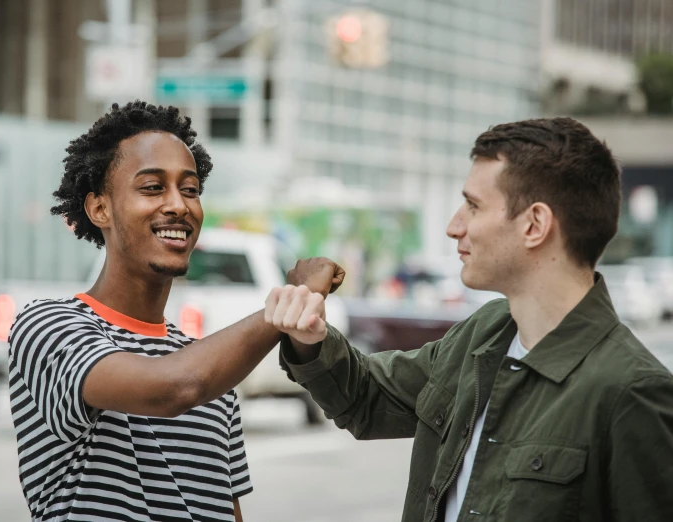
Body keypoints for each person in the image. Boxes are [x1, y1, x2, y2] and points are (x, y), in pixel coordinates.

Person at [266, 117, 673, 522]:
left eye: (473, 206)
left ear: (535, 225)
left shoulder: (633, 392)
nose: (453, 227)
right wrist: (309, 336)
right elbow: (367, 399)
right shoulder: (484, 334)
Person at [7, 101, 344, 522]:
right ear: (99, 209)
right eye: (152, 187)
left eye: (191, 190)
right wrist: (287, 303)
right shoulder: (49, 325)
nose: (179, 205)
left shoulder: (214, 372)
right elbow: (174, 389)